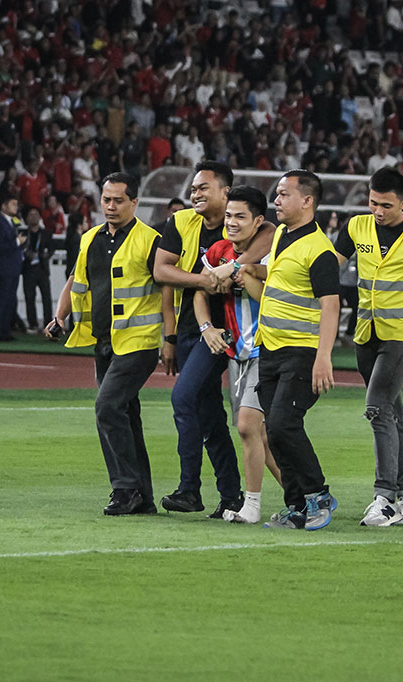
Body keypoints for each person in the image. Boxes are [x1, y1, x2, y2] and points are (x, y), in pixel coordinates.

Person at [153, 161, 270, 517]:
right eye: (193, 189)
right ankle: (231, 495)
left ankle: (190, 488)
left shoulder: (246, 224)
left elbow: (269, 235)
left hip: (230, 333)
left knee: (184, 398)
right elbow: (162, 273)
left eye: (204, 188)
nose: (195, 194)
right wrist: (171, 333)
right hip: (196, 328)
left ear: (226, 192)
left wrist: (235, 267)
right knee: (208, 414)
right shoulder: (181, 222)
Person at [48, 173, 166, 515]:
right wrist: (60, 316)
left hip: (139, 341)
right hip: (104, 340)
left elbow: (169, 289)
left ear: (135, 203)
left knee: (107, 406)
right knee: (126, 413)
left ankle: (124, 489)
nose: (110, 206)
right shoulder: (89, 239)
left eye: (118, 200)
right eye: (106, 200)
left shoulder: (151, 240)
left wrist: (170, 338)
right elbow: (75, 278)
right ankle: (142, 495)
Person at [333, 167, 403, 527]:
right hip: (367, 332)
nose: (378, 211)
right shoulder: (354, 226)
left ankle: (384, 498)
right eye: (373, 203)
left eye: (387, 205)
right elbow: (331, 265)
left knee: (377, 408)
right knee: (392, 416)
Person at [255, 169, 341, 530]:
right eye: (276, 194)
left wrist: (324, 357)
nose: (276, 200)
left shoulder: (319, 250)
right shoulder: (281, 236)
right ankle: (296, 505)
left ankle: (318, 494)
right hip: (272, 349)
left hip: (302, 351)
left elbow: (331, 305)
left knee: (283, 424)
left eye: (283, 194)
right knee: (274, 431)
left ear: (307, 201)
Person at [193, 186, 283, 523]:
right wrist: (207, 329)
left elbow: (272, 300)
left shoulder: (273, 252)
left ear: (259, 221)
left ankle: (252, 506)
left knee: (247, 426)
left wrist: (243, 276)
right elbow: (200, 292)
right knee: (260, 433)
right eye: (229, 216)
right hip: (239, 353)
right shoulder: (218, 251)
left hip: (268, 347)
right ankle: (302, 497)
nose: (231, 222)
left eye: (239, 216)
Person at [0, 193, 25, 341]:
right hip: (4, 268)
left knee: (9, 301)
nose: (15, 207)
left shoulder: (11, 222)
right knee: (2, 300)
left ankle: (4, 331)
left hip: (12, 268)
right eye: (12, 204)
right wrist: (17, 242)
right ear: (4, 206)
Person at [21, 206, 53, 332]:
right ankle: (32, 323)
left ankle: (48, 324)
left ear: (40, 218)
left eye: (36, 214)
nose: (33, 217)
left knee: (46, 297)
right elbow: (19, 248)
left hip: (42, 269)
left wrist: (44, 256)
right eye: (31, 214)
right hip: (28, 269)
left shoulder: (46, 233)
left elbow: (51, 249)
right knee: (29, 297)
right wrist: (26, 254)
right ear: (27, 218)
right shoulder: (23, 233)